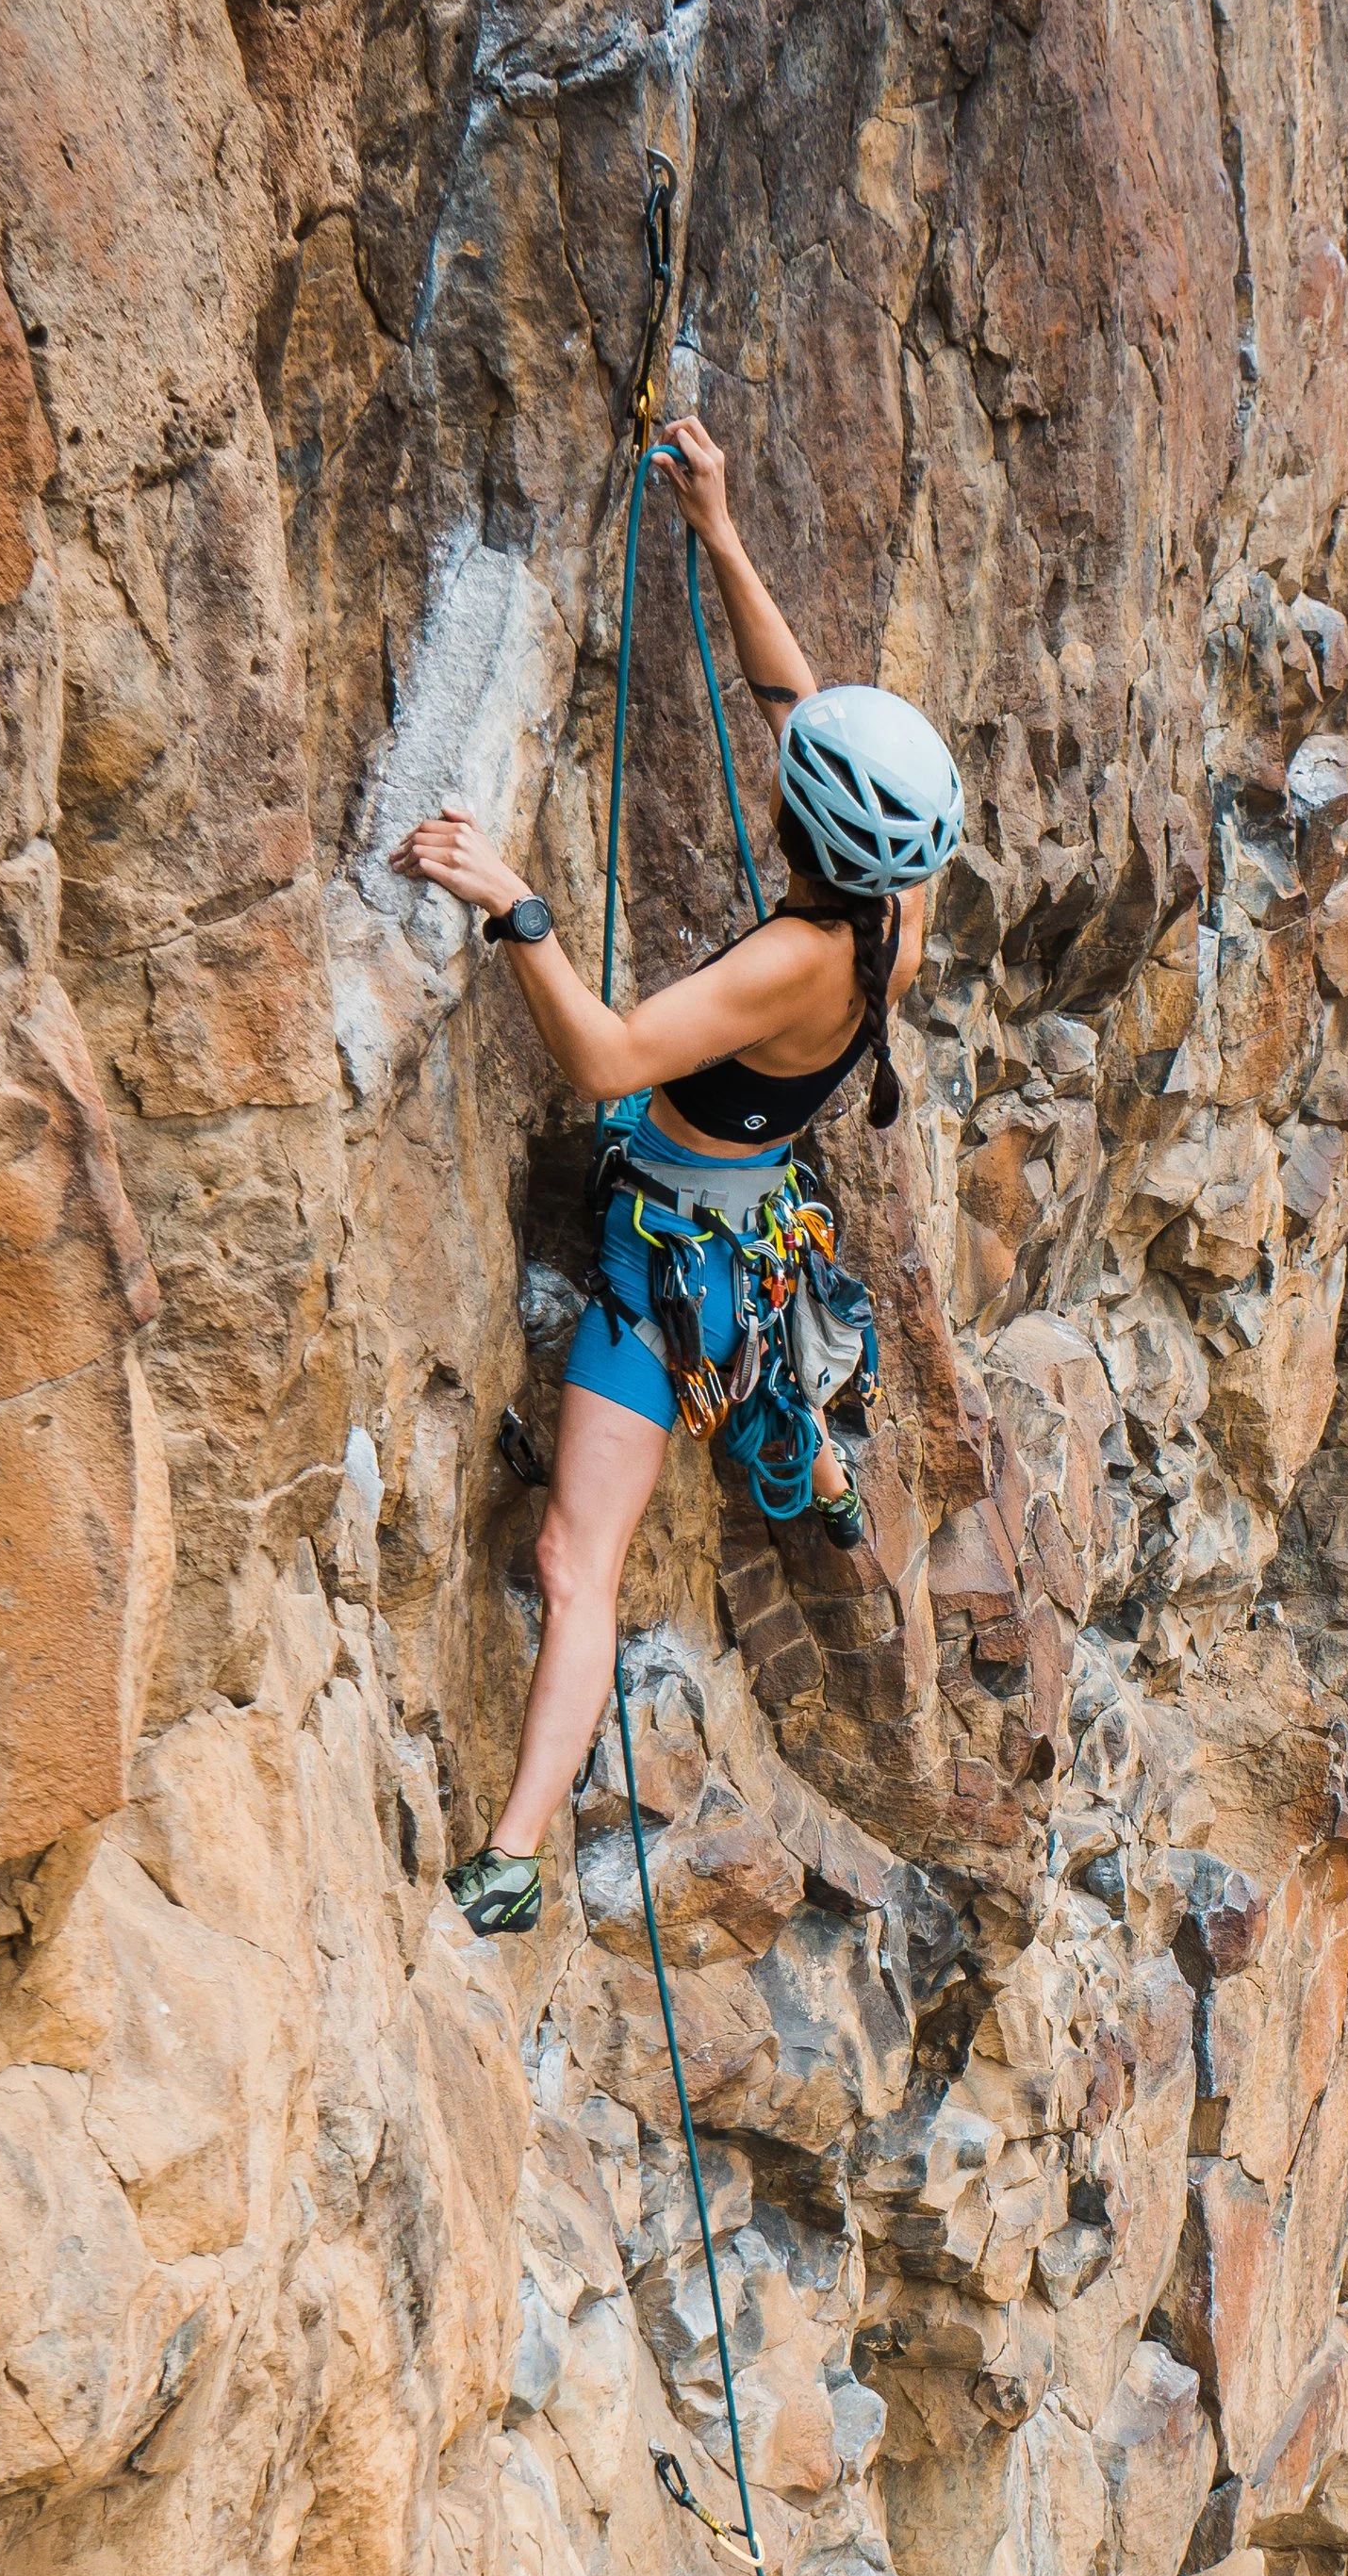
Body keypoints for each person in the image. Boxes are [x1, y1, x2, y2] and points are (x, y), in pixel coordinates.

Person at [392, 416, 964, 1936]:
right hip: (757, 1224)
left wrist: (518, 906)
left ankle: (512, 1860)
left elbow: (604, 1060)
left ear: (806, 835)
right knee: (719, 1412)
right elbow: (798, 702)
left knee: (583, 1562)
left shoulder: (791, 961)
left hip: (667, 1264)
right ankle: (805, 1440)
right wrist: (719, 530)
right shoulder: (901, 905)